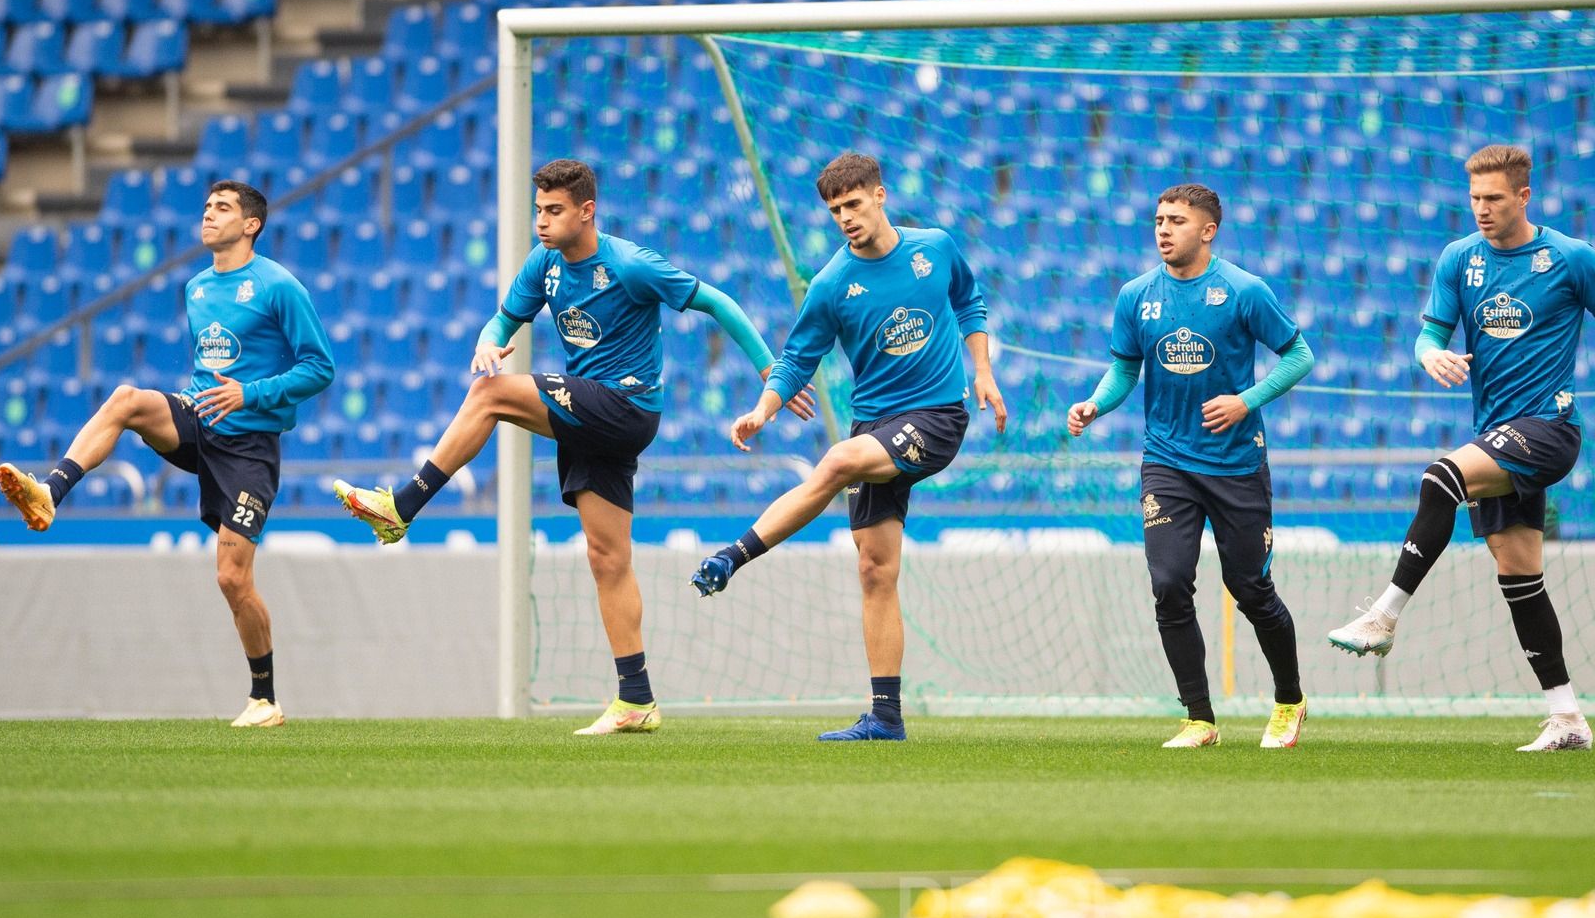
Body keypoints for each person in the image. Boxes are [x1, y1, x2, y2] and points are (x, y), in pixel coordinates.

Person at [334, 158, 809, 735]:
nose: (541, 221)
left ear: (586, 211)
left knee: (488, 398)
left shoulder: (632, 264)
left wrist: (769, 371)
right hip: (588, 414)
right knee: (607, 559)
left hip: (628, 406)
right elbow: (501, 322)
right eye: (537, 210)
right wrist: (489, 344)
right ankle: (637, 699)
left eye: (553, 211)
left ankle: (401, 506)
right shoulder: (544, 264)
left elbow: (719, 303)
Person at [1328, 144, 1595, 752]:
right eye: (1473, 198)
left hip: (1549, 429)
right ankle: (1568, 717)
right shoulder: (1458, 258)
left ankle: (1384, 615)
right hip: (1495, 433)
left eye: (1493, 198)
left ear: (1524, 196)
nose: (1481, 209)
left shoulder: (1570, 258)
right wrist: (1430, 354)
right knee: (1519, 578)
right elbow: (1428, 332)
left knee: (1438, 477)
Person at [690, 152, 1006, 742]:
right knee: (874, 569)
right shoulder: (833, 283)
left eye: (853, 204)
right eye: (835, 210)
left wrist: (982, 369)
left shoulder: (933, 247)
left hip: (937, 417)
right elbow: (796, 358)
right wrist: (763, 410)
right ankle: (886, 716)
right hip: (876, 427)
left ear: (880, 196)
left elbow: (969, 301)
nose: (845, 218)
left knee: (834, 460)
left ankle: (732, 556)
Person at [0, 180, 334, 728]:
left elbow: (320, 368)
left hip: (250, 444)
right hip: (201, 421)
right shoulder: (198, 287)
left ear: (251, 225)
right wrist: (210, 399)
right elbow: (210, 365)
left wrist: (250, 393)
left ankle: (264, 698)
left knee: (231, 579)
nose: (208, 215)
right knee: (127, 399)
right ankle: (50, 492)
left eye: (222, 208)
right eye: (206, 206)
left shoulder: (278, 286)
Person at [1067, 183, 1316, 749]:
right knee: (1170, 584)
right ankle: (1199, 718)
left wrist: (1245, 401)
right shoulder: (1136, 295)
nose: (1162, 229)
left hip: (1235, 466)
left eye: (1176, 220)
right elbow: (1124, 370)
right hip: (1167, 462)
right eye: (1158, 219)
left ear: (1207, 231)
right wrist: (1095, 404)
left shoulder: (1244, 290)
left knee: (1250, 588)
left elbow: (1300, 355)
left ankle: (1289, 700)